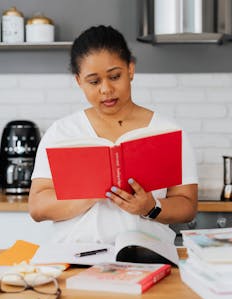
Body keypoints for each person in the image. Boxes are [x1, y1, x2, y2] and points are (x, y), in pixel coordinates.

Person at [28, 25, 198, 245]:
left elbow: (187, 206)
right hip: (76, 258)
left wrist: (150, 207)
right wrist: (88, 193)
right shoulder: (62, 133)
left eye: (115, 76)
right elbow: (37, 207)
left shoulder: (168, 131)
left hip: (146, 256)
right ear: (79, 81)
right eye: (94, 81)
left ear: (130, 69)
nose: (106, 89)